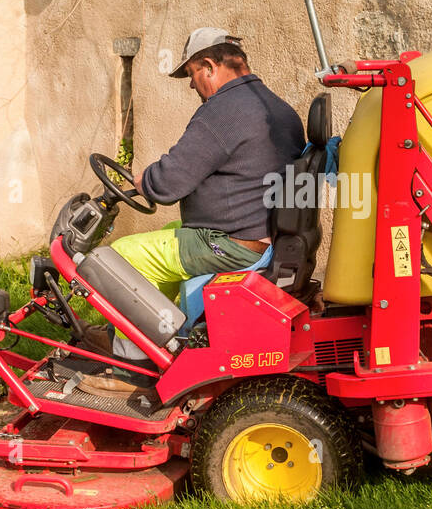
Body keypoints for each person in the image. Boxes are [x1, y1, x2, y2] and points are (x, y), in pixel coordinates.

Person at [112, 27, 306, 311]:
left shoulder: (221, 111)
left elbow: (169, 183)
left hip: (234, 245)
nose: (192, 85)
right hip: (262, 237)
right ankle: (164, 323)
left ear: (209, 66)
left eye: (191, 74)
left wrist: (144, 181)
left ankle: (135, 340)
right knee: (172, 230)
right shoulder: (277, 107)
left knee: (120, 256)